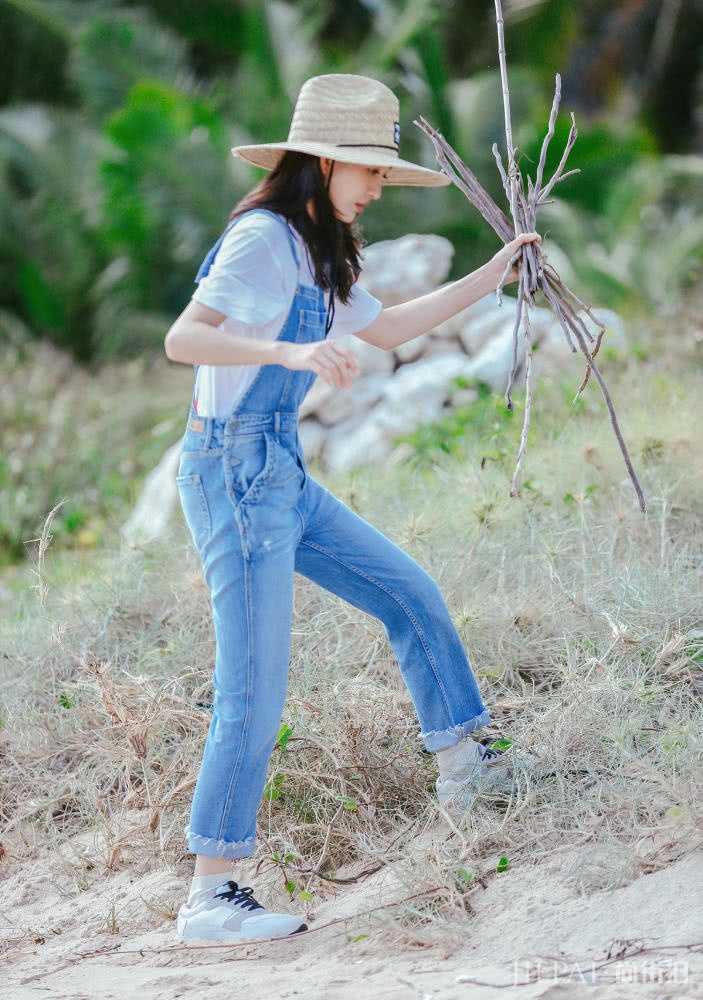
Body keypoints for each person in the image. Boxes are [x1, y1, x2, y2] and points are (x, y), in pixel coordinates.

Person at [164, 73, 540, 944]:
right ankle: (210, 897)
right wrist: (290, 354)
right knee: (251, 691)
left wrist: (495, 271)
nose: (376, 187)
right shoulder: (261, 238)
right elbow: (186, 339)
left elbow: (387, 330)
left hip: (279, 472)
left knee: (407, 592)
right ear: (324, 161)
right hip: (233, 473)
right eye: (369, 170)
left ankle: (466, 768)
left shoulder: (316, 248)